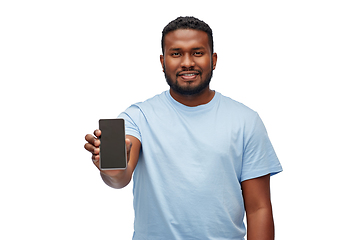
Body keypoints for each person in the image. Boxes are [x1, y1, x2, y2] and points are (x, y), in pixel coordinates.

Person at [84, 16, 282, 240]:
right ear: (162, 62)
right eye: (176, 53)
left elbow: (259, 208)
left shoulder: (246, 120)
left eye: (197, 52)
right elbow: (119, 177)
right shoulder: (138, 117)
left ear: (213, 59)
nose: (187, 62)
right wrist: (111, 169)